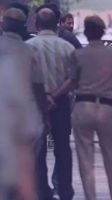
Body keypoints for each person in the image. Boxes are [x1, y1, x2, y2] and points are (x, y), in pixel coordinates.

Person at [51, 15, 112, 200]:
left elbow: (71, 81)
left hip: (83, 107)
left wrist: (53, 96)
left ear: (85, 32)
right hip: (107, 108)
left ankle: (90, 197)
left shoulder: (79, 54)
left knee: (86, 160)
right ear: (103, 32)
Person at [26, 8, 75, 200]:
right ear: (57, 25)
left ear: (36, 25)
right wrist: (55, 95)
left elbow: (26, 78)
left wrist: (44, 96)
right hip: (61, 102)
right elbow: (73, 79)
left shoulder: (28, 46)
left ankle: (42, 191)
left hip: (35, 103)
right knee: (62, 148)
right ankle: (64, 190)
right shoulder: (67, 47)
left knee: (38, 149)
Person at [0, 8, 46, 200]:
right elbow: (39, 88)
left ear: (3, 24)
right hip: (24, 119)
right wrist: (45, 116)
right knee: (24, 172)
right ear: (22, 27)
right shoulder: (30, 51)